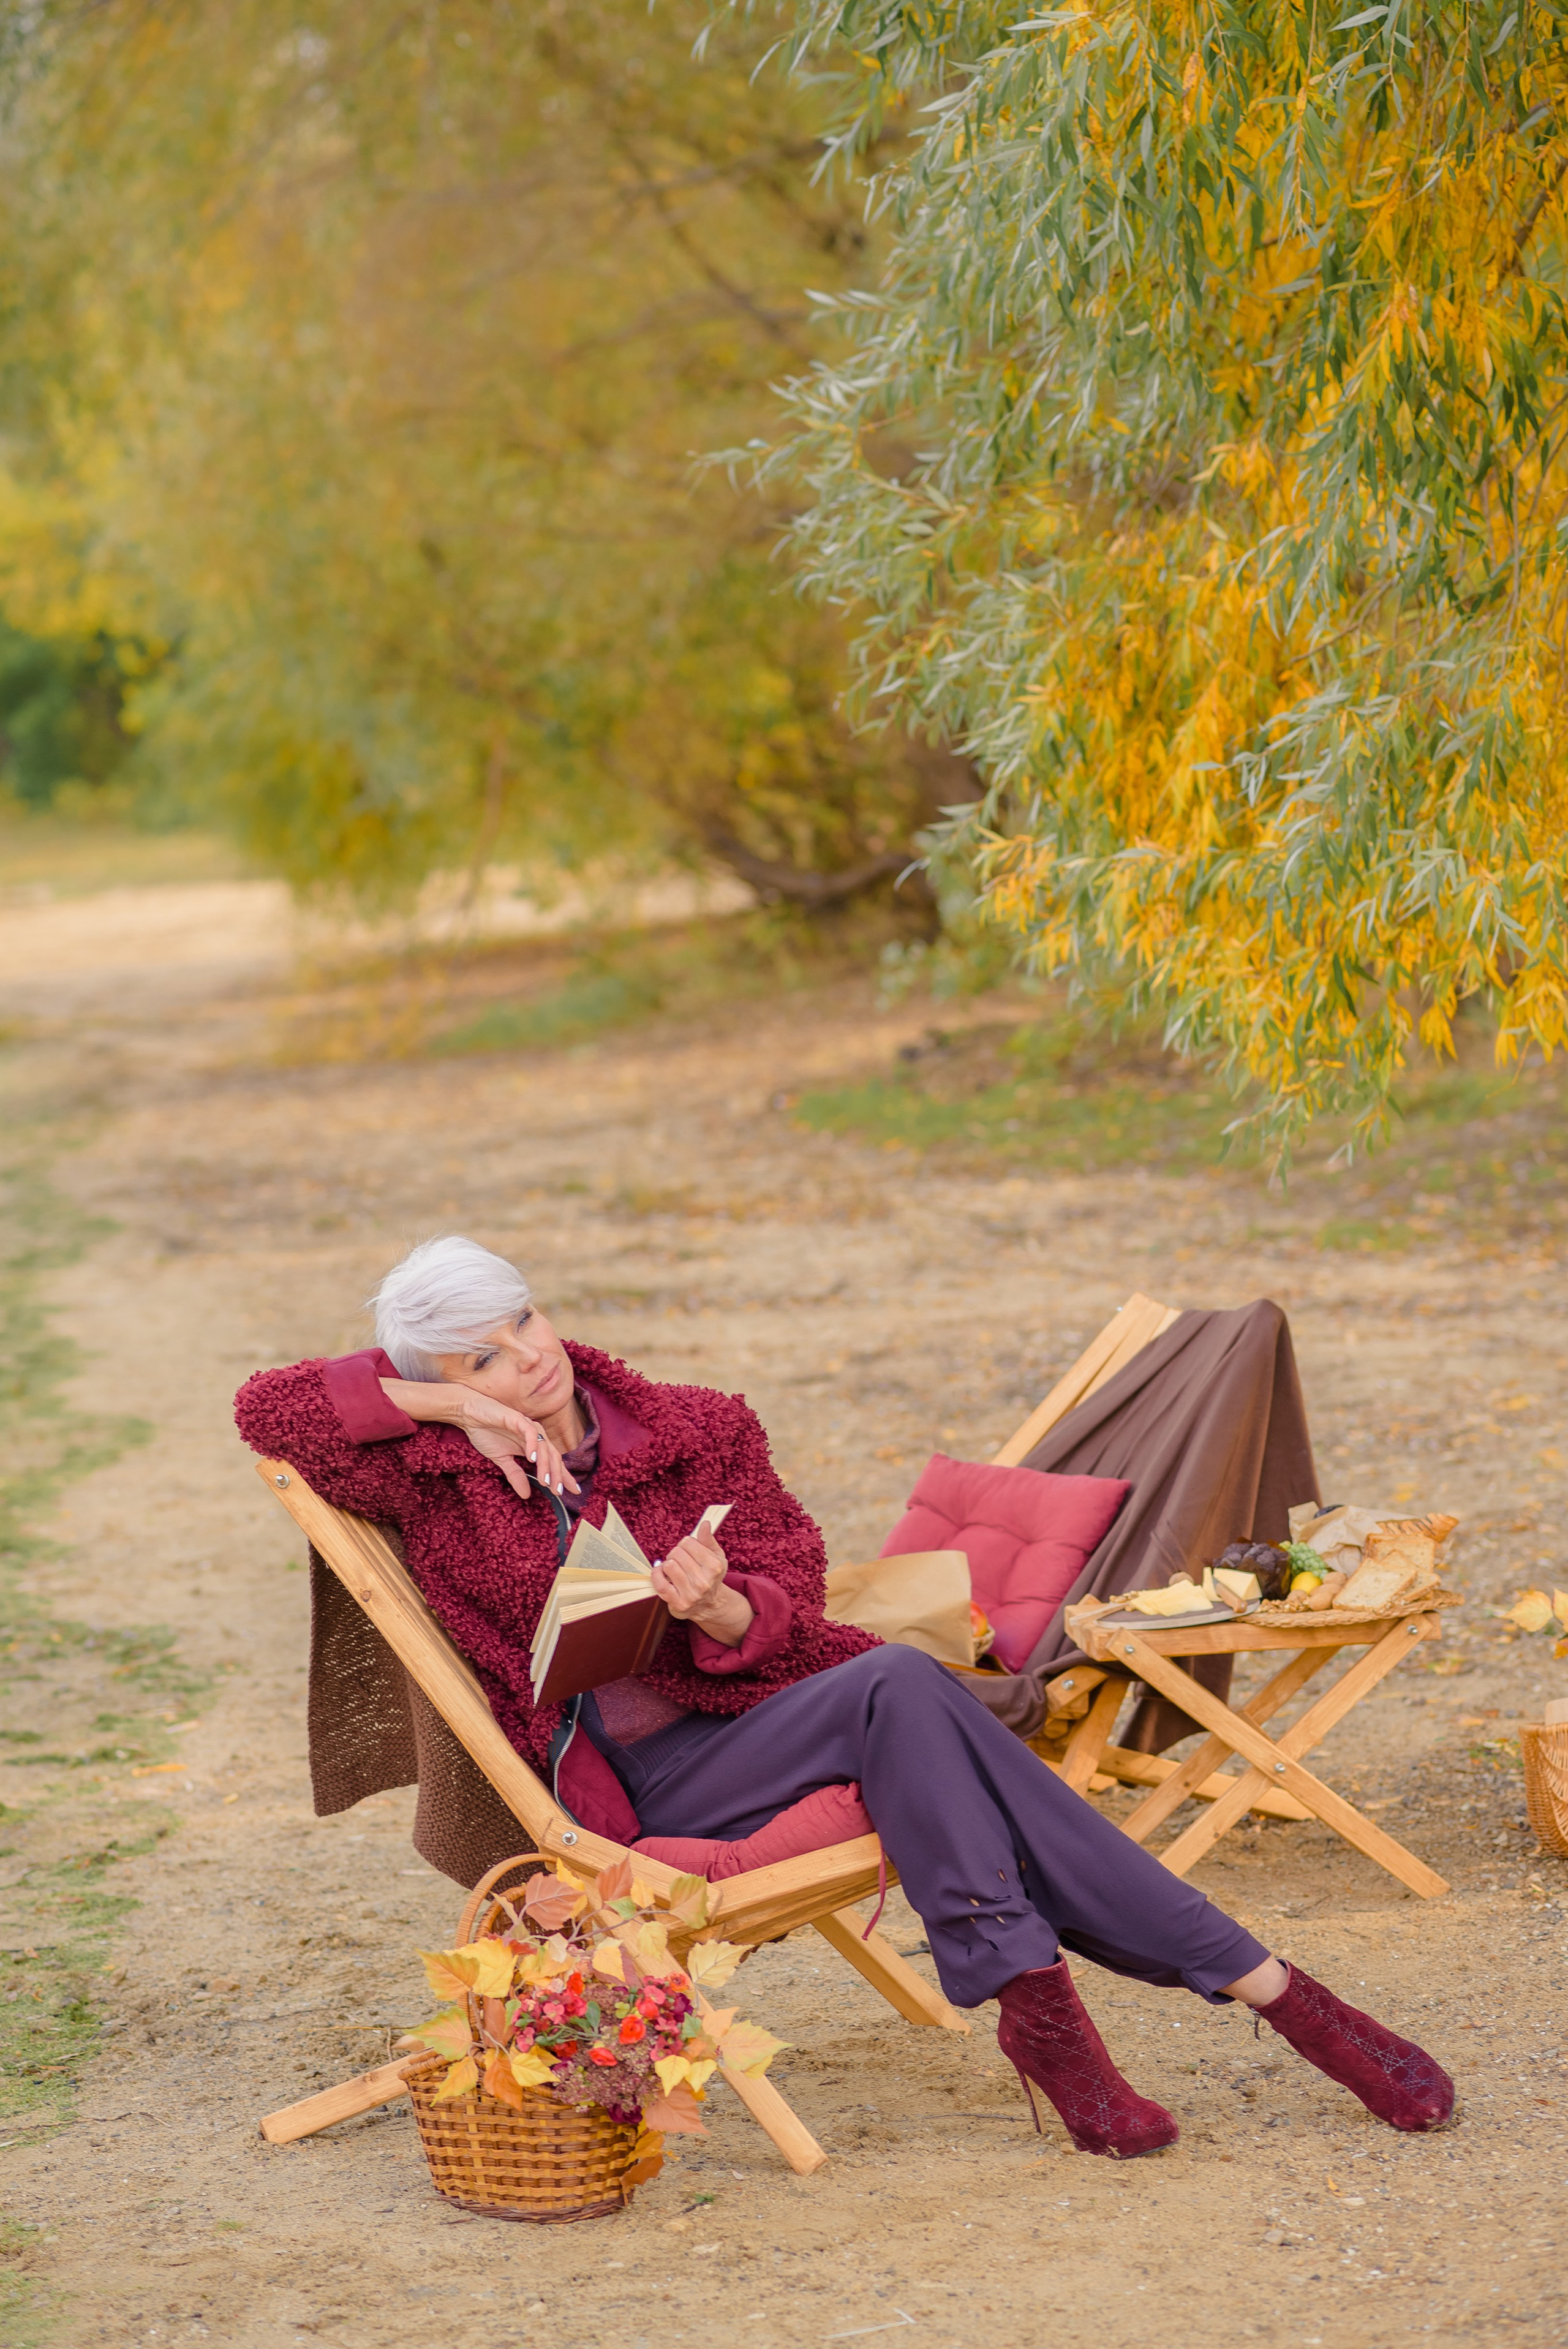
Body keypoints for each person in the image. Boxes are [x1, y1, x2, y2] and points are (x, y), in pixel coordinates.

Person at [235, 1235, 1453, 2157]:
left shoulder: (698, 1427)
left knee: (893, 1683)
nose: (526, 1357)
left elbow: (797, 1590)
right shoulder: (431, 1472)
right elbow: (266, 1405)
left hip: (736, 1723)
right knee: (931, 1709)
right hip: (608, 1780)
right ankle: (1274, 1999)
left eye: (523, 1321)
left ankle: (1064, 2012)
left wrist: (719, 1611)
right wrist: (454, 1407)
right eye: (480, 1352)